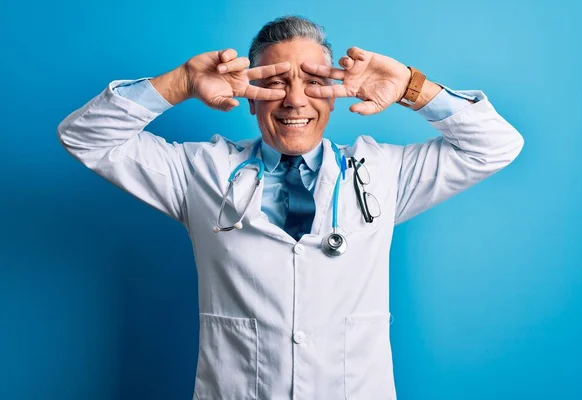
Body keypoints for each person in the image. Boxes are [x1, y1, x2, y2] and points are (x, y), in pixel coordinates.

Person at [57, 15, 523, 400]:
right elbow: (84, 137)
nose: (295, 99)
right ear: (248, 100)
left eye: (315, 82)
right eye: (276, 83)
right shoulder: (201, 172)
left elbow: (496, 146)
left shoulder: (382, 173)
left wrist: (411, 87)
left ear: (337, 95)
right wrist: (180, 83)